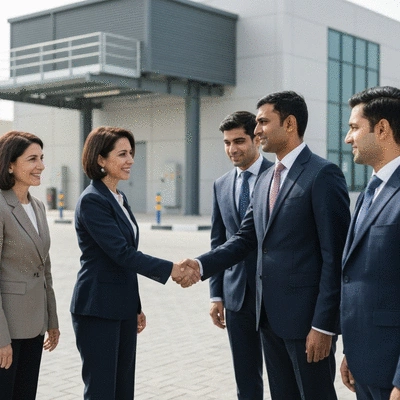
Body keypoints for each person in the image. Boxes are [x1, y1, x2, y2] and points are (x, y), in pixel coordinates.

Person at [182, 91, 350, 399]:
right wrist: (202, 264)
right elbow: (245, 239)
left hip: (307, 325)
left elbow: (335, 256)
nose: (257, 130)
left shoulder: (323, 175)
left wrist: (324, 326)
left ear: (289, 124)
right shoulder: (264, 179)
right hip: (268, 319)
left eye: (262, 122)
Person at [70, 126, 199, 400]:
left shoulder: (118, 197)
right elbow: (122, 253)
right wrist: (172, 269)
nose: (130, 160)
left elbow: (125, 259)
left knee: (123, 388)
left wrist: (135, 306)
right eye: (122, 154)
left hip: (121, 307)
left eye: (131, 153)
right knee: (102, 390)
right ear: (101, 160)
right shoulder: (92, 200)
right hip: (97, 307)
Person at [340, 86, 400, 400]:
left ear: (382, 129)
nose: (348, 138)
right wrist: (353, 352)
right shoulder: (368, 193)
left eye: (353, 128)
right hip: (366, 365)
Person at [208, 111, 272, 399]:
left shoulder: (278, 176)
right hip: (236, 297)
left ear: (256, 139)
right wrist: (216, 295)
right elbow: (218, 241)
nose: (232, 149)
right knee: (245, 378)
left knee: (283, 373)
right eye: (227, 142)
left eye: (239, 141)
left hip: (274, 293)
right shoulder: (220, 184)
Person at [0, 131, 60, 400]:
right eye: (32, 159)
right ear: (10, 164)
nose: (41, 166)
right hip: (7, 329)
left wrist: (52, 321)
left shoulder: (37, 206)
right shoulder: (1, 206)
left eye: (42, 158)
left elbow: (44, 269)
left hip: (34, 326)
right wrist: (1, 338)